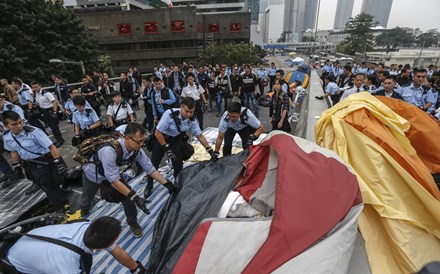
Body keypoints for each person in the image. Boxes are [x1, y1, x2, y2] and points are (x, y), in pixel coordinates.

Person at [80, 123, 175, 237]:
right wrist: (135, 197)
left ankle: (133, 222)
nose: (142, 144)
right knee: (87, 197)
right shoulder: (109, 151)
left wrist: (168, 184)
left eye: (143, 140)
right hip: (93, 175)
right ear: (126, 138)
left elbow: (150, 169)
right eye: (139, 141)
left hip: (113, 173)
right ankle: (84, 211)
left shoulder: (136, 150)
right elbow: (114, 181)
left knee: (127, 198)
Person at [3, 216, 147, 274]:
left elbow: (117, 251)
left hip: (27, 244)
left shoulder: (91, 228)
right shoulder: (67, 265)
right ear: (98, 248)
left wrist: (137, 269)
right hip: (15, 264)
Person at [146, 97, 217, 198]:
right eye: (186, 111)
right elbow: (158, 132)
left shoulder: (192, 120)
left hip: (174, 140)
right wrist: (166, 148)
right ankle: (149, 184)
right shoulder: (169, 114)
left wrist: (210, 150)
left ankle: (177, 185)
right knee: (154, 164)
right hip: (161, 139)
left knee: (178, 165)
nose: (189, 114)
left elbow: (200, 136)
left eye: (191, 112)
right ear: (181, 107)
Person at [2, 111, 68, 212]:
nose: (19, 126)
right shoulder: (7, 136)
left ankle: (59, 206)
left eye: (20, 122)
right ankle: (59, 197)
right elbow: (13, 151)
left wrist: (58, 162)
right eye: (14, 124)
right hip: (29, 164)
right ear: (6, 126)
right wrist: (17, 166)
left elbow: (51, 146)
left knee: (48, 184)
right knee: (40, 184)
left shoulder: (33, 132)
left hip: (44, 161)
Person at [31, 81, 65, 147]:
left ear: (40, 86)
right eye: (33, 87)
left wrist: (55, 112)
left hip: (50, 110)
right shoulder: (36, 94)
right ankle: (58, 139)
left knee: (54, 126)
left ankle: (60, 140)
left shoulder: (46, 93)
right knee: (51, 126)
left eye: (36, 87)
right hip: (44, 112)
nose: (35, 88)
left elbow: (54, 102)